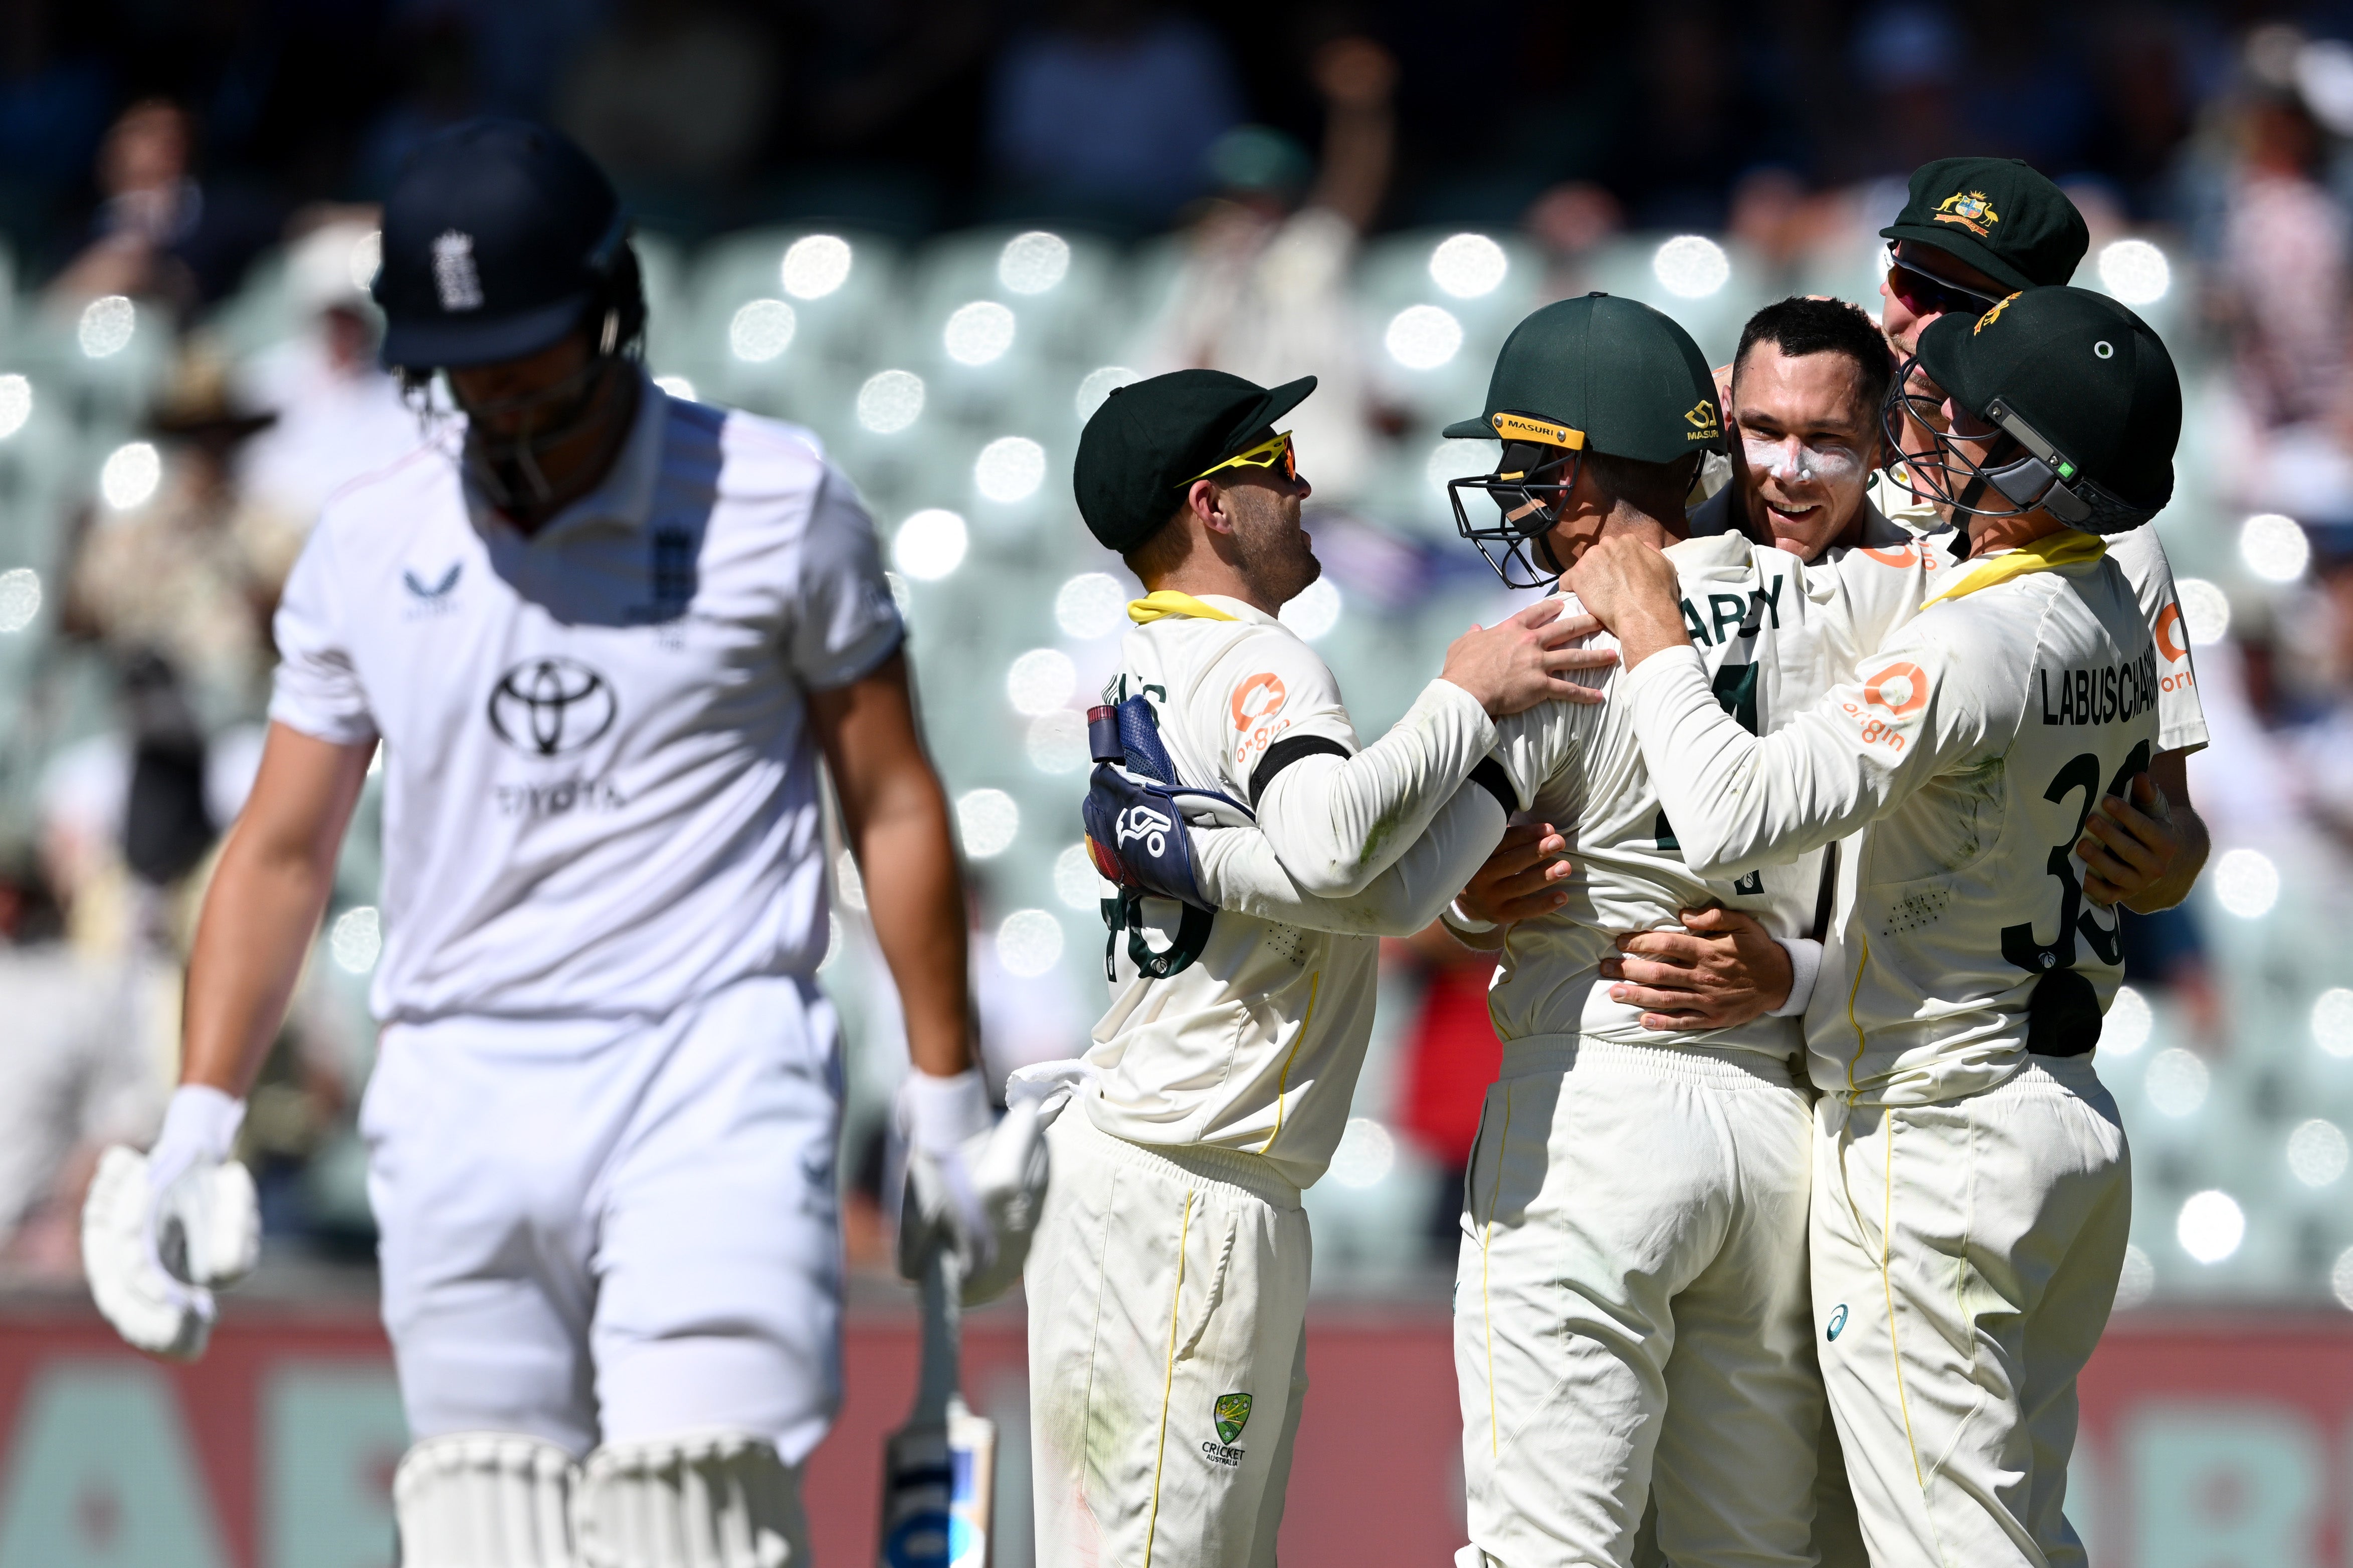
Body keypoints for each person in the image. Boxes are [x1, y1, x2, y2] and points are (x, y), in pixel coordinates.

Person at [78, 119, 1035, 1567]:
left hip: (710, 1066)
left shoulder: (773, 505)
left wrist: (945, 1093)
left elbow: (891, 796)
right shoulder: (365, 546)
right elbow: (279, 852)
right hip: (456, 1079)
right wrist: (199, 1119)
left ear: (615, 315)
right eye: (472, 391)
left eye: (536, 380)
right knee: (484, 1526)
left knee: (689, 1514)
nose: (510, 430)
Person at [1567, 284, 2180, 1567]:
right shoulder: (2119, 604)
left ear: (2026, 464)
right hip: (2061, 1112)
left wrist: (1650, 632)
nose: (1931, 424)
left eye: (1966, 417)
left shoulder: (1967, 644)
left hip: (1938, 1134)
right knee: (2014, 1530)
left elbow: (1733, 812)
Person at [1025, 367, 1611, 1566]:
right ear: (1213, 506)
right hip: (1185, 1178)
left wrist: (1481, 795)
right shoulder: (1261, 664)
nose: (1303, 484)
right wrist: (1469, 701)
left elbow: (1370, 891)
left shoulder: (1152, 654)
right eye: (1274, 462)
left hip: (1182, 1176)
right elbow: (1342, 849)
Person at [1422, 293, 1959, 1568]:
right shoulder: (1879, 604)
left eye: (1533, 467)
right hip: (1778, 1125)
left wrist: (1454, 890)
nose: (1512, 499)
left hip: (1594, 1102)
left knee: (1544, 1552)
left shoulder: (1556, 633)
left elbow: (1381, 870)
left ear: (1598, 467)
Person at [1874, 157, 2210, 912]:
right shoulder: (1803, 473)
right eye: (1909, 284)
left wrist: (2169, 863)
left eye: (1965, 305)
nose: (1921, 323)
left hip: (1979, 985)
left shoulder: (2114, 543)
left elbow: (2176, 825)